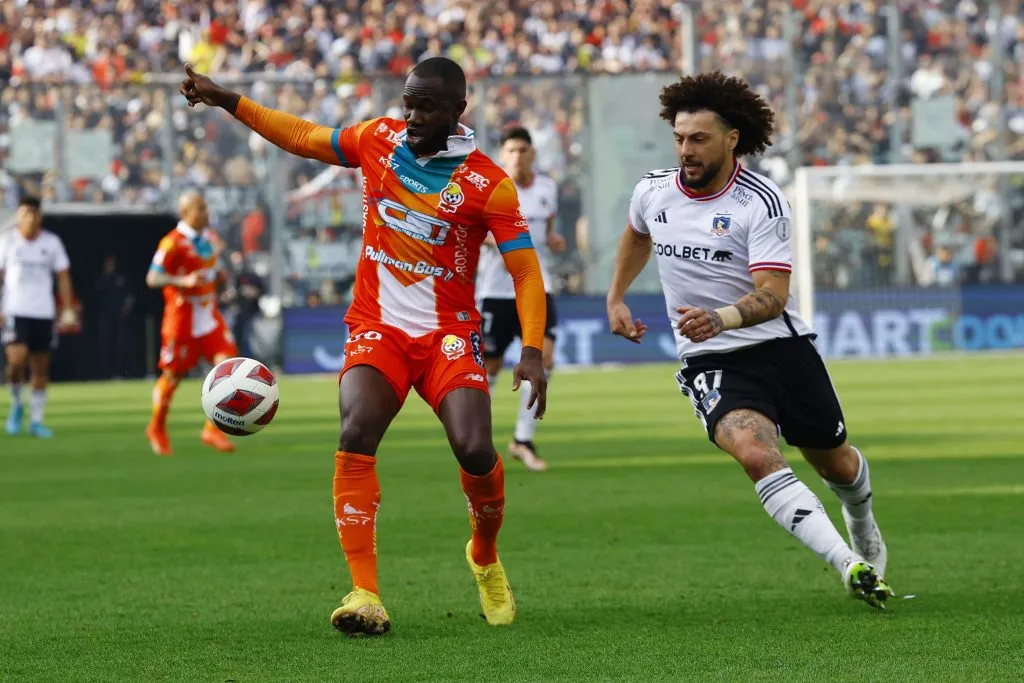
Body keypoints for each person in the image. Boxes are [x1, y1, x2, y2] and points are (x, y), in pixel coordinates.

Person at [180, 57, 549, 636]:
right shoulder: (379, 139)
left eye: (427, 105)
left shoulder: (488, 184)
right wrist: (228, 99)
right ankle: (364, 593)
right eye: (409, 101)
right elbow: (302, 136)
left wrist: (532, 349)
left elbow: (525, 272)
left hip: (448, 334)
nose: (412, 114)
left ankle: (483, 554)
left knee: (475, 449)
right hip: (377, 326)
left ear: (459, 111)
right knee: (356, 432)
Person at [606, 72, 894, 608]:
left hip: (779, 349)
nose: (685, 150)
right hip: (710, 358)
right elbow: (636, 234)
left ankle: (863, 526)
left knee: (835, 463)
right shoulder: (652, 190)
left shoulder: (760, 202)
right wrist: (617, 296)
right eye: (679, 138)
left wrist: (721, 316)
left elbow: (774, 294)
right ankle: (848, 564)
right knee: (755, 453)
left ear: (732, 138)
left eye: (698, 139)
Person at [476, 126, 564, 472]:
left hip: (538, 286)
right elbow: (474, 232)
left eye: (524, 150)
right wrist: (503, 244)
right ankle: (477, 438)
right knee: (491, 367)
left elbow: (549, 228)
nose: (518, 156)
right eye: (511, 150)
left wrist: (554, 238)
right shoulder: (490, 189)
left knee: (545, 357)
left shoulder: (547, 188)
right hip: (497, 289)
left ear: (533, 154)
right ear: (502, 155)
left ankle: (522, 440)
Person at [145, 191, 237, 456]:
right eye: (200, 208)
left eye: (206, 207)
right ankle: (156, 427)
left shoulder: (210, 238)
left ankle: (213, 429)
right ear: (186, 213)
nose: (206, 212)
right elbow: (152, 278)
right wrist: (181, 282)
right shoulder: (171, 243)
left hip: (208, 315)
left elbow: (213, 268)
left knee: (227, 367)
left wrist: (219, 277)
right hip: (181, 318)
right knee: (173, 375)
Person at [0, 195, 78, 438]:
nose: (29, 218)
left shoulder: (52, 243)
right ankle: (16, 404)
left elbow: (63, 275)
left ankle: (36, 420)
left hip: (42, 312)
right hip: (15, 310)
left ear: (40, 216)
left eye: (33, 213)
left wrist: (67, 308)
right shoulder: (8, 242)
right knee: (16, 361)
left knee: (40, 366)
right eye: (24, 213)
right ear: (19, 216)